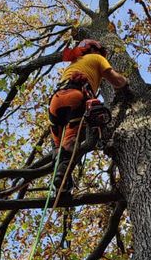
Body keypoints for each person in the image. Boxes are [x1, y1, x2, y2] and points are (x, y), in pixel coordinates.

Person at [48, 39, 129, 193]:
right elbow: (115, 80)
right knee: (70, 143)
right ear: (96, 49)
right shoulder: (97, 58)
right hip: (75, 97)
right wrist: (126, 83)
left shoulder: (74, 62)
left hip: (55, 102)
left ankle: (61, 184)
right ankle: (63, 175)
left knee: (58, 149)